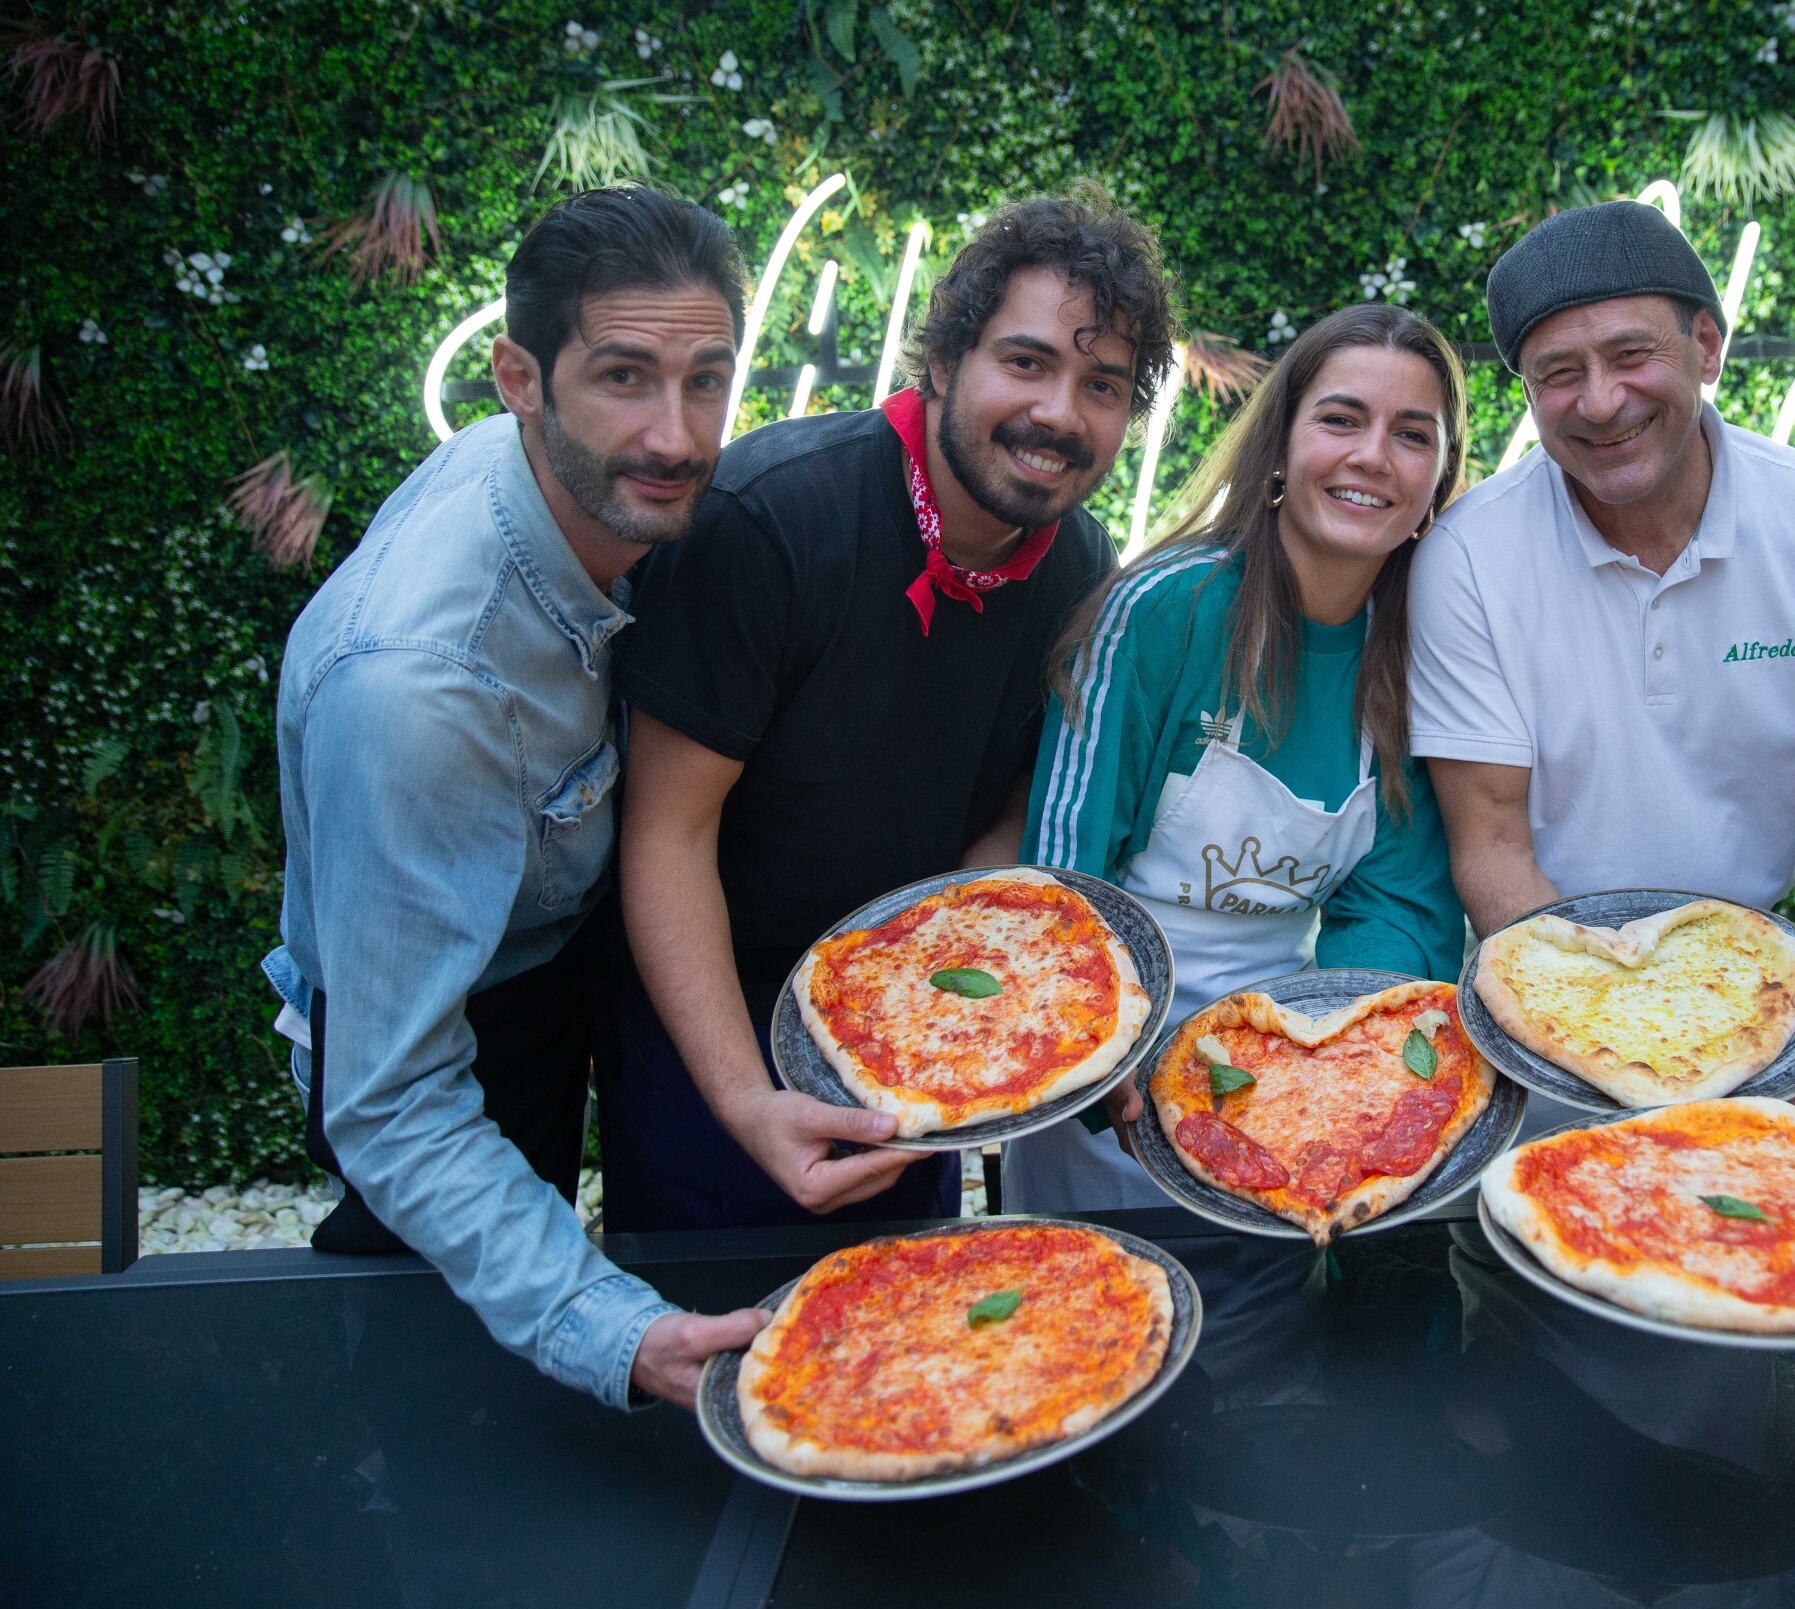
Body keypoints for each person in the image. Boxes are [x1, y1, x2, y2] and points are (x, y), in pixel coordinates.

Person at [260, 186, 771, 1408]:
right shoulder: (417, 694)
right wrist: (608, 1331)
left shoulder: (576, 486)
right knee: (455, 1391)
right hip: (466, 1017)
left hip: (572, 925)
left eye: (707, 378)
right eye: (625, 377)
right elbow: (389, 1102)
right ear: (519, 378)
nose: (678, 434)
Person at [609, 188, 1176, 1231]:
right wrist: (745, 1097)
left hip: (920, 1033)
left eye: (1101, 384)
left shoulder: (1081, 563)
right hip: (711, 1030)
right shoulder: (769, 516)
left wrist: (997, 1011)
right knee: (714, 1353)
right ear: (944, 360)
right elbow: (664, 835)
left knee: (906, 1352)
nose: (1059, 411)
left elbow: (1004, 805)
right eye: (1026, 361)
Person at [1408, 200, 1795, 1079]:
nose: (1601, 401)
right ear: (1528, 393)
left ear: (1708, 345)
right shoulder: (1466, 555)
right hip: (1551, 985)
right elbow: (1490, 841)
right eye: (1558, 372)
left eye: (1631, 354)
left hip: (1758, 981)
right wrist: (1618, 1028)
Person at [1007, 304, 1471, 1212]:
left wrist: (1336, 1073)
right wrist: (1112, 1062)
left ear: (1439, 476)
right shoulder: (1159, 613)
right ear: (1279, 447)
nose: (1373, 456)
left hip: (1297, 1081)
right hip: (1108, 1080)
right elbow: (1064, 875)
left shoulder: (1424, 653)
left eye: (1412, 435)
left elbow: (1402, 907)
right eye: (1341, 419)